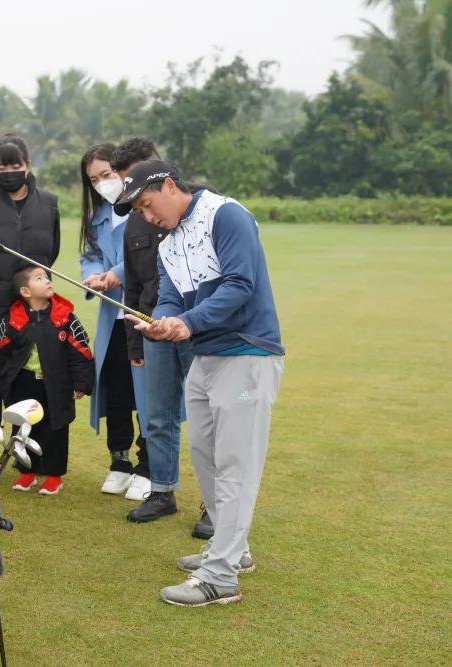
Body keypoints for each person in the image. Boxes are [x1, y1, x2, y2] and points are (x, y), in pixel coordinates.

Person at [119, 160, 285, 607]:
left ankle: (220, 577)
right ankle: (232, 549)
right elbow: (170, 295)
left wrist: (187, 322)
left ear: (170, 186)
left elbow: (240, 283)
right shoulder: (169, 242)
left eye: (147, 204)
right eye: (139, 211)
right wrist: (162, 320)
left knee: (234, 465)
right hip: (205, 357)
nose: (146, 217)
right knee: (205, 456)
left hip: (247, 353)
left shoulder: (225, 214)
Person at [110, 138, 204, 530]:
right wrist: (135, 342)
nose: (133, 196)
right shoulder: (136, 219)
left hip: (200, 329)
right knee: (158, 416)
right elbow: (133, 286)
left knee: (208, 418)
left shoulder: (204, 208)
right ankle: (161, 491)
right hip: (154, 330)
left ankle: (215, 504)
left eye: (133, 181)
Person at [0, 135, 60, 428]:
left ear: (28, 164)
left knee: (28, 385)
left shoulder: (49, 204)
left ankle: (26, 449)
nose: (8, 172)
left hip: (31, 314)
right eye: (1, 167)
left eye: (15, 165)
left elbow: (51, 252)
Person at [78, 143, 149, 501]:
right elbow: (89, 255)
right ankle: (119, 461)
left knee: (148, 392)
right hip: (113, 318)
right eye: (94, 179)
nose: (102, 183)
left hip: (146, 314)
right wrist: (93, 276)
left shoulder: (146, 207)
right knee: (117, 389)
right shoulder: (98, 217)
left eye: (106, 174)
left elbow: (149, 252)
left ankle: (149, 464)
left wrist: (116, 273)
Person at [0, 267, 93, 495]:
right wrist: (7, 381)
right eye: (39, 278)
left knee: (56, 427)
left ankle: (54, 476)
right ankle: (26, 471)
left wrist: (81, 383)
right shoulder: (13, 319)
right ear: (25, 291)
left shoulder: (65, 317)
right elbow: (2, 353)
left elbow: (81, 351)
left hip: (57, 383)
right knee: (23, 427)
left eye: (47, 277)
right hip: (24, 383)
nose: (47, 281)